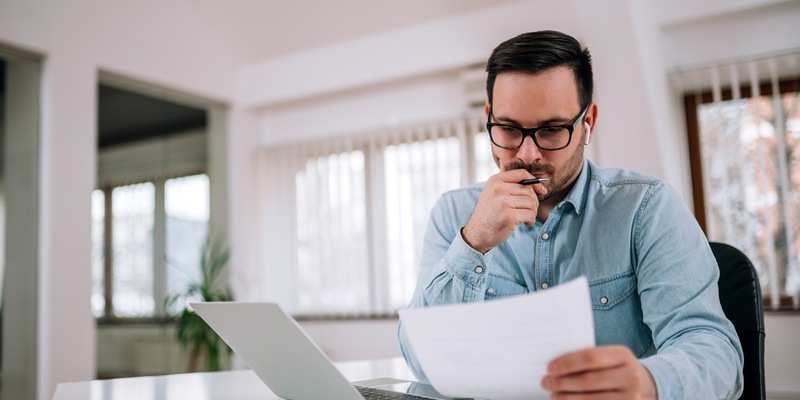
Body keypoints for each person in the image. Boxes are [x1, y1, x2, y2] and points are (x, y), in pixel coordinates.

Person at [397, 30, 743, 399]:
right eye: (509, 129)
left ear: (588, 122)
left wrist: (649, 383)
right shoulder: (455, 215)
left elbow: (714, 351)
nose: (528, 154)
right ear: (489, 117)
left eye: (551, 130)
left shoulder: (647, 208)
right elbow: (421, 361)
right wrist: (474, 242)